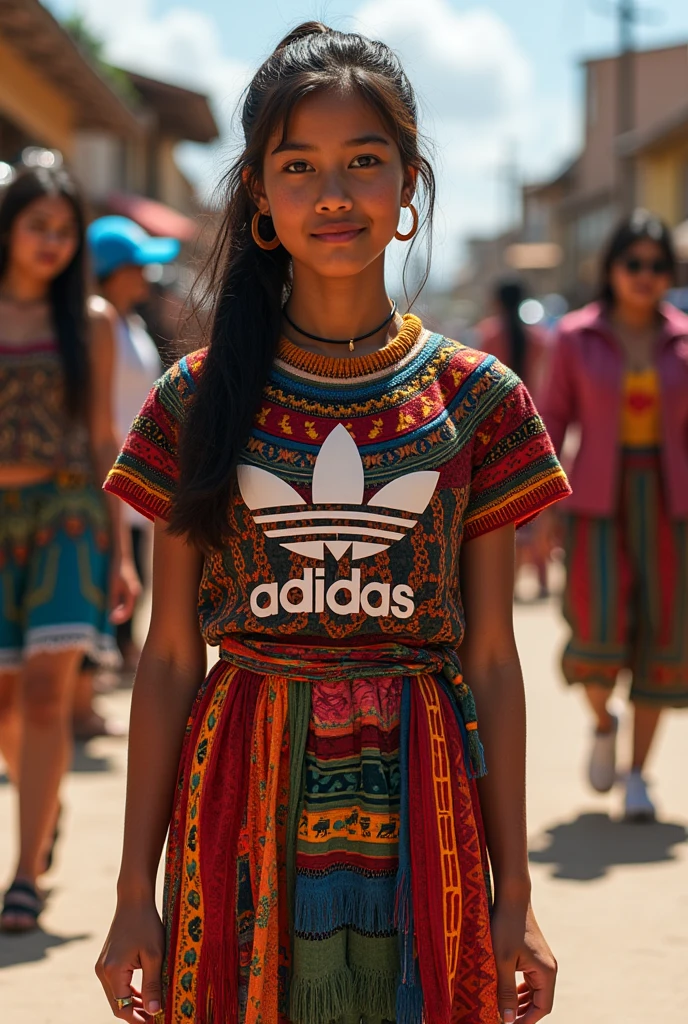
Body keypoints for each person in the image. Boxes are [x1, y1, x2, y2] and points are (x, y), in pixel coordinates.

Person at [96, 23, 570, 1024]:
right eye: (299, 165)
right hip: (241, 782)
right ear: (260, 198)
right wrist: (133, 889)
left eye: (364, 161)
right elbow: (172, 654)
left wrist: (516, 890)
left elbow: (491, 655)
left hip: (423, 791)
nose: (334, 193)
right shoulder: (195, 400)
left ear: (409, 187)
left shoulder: (476, 398)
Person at [0, 167, 139, 931]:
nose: (51, 243)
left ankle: (23, 875)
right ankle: (40, 810)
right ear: (8, 230)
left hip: (68, 517)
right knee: (6, 704)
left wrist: (121, 550)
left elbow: (99, 435)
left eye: (64, 230)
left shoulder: (90, 321)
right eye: (37, 227)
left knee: (50, 696)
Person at [539, 210, 688, 821]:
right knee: (595, 625)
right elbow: (549, 423)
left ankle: (638, 777)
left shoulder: (683, 338)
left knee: (665, 629)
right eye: (634, 264)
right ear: (612, 269)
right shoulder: (576, 337)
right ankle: (605, 719)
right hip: (595, 500)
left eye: (657, 266)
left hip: (672, 502)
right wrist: (538, 513)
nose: (645, 276)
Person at [87, 215, 178, 671]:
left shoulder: (132, 325)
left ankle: (112, 664)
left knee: (132, 576)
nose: (146, 275)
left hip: (131, 476)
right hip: (101, 477)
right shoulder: (94, 323)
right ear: (112, 271)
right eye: (136, 265)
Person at [477, 280, 554, 598]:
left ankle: (504, 583)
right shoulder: (538, 337)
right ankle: (543, 577)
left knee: (503, 510)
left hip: (497, 428)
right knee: (536, 505)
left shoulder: (489, 334)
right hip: (533, 420)